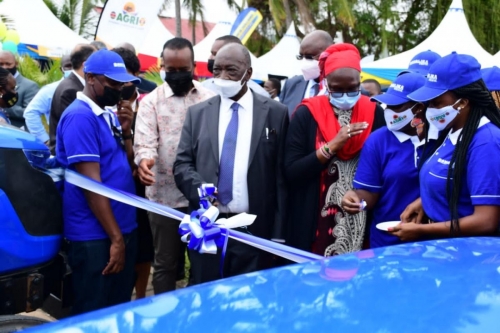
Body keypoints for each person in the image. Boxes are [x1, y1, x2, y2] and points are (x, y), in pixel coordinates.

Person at [174, 43, 289, 284]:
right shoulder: (198, 114)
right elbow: (182, 164)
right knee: (208, 296)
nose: (222, 77)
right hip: (208, 227)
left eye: (231, 71)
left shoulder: (275, 112)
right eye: (217, 70)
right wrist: (201, 190)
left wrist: (278, 233)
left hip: (255, 229)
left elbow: (281, 176)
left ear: (248, 73)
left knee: (250, 302)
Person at [56, 49, 140, 315]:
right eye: (112, 84)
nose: (118, 90)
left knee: (117, 310)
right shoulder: (80, 117)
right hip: (96, 236)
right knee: (95, 313)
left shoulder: (106, 114)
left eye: (122, 85)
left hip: (119, 228)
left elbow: (124, 165)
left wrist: (126, 133)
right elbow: (91, 185)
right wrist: (116, 240)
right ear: (90, 78)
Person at [285, 43, 385, 256]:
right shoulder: (307, 114)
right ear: (325, 83)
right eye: (337, 89)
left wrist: (364, 197)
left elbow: (383, 169)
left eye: (353, 88)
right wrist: (330, 147)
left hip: (361, 217)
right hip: (314, 221)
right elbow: (291, 170)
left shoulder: (374, 112)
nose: (346, 95)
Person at [134, 38, 215, 294]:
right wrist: (144, 160)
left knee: (203, 261)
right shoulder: (150, 102)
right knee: (165, 263)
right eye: (172, 69)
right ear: (163, 66)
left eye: (183, 70)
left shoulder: (209, 99)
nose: (178, 75)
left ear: (194, 66)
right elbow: (145, 141)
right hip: (163, 198)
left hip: (203, 196)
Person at [394, 52, 500, 241]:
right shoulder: (454, 131)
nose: (430, 110)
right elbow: (453, 184)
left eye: (437, 103)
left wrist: (424, 231)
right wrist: (425, 202)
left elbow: (486, 220)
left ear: (463, 103)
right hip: (445, 250)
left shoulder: (486, 143)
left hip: (469, 257)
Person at [341, 72, 433, 248]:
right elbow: (369, 195)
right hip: (389, 241)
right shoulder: (378, 141)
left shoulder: (442, 138)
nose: (388, 111)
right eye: (387, 105)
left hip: (435, 241)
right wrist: (356, 200)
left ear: (419, 108)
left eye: (396, 106)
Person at [110, 47, 154, 299]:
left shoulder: (149, 102)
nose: (120, 86)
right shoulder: (104, 104)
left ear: (136, 76)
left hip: (141, 187)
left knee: (144, 249)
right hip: (113, 186)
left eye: (125, 79)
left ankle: (140, 296)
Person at [49, 43, 96, 154]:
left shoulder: (74, 84)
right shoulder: (70, 90)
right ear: (85, 65)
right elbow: (74, 131)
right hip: (68, 155)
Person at [280, 30, 333, 117]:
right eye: (301, 57)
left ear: (328, 54)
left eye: (309, 57)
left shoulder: (348, 89)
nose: (304, 62)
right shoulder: (290, 85)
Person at [23, 55, 72, 144]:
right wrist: (45, 139)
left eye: (75, 66)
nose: (72, 70)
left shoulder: (89, 88)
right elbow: (31, 113)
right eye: (68, 66)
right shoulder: (50, 90)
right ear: (61, 69)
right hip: (59, 143)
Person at [202, 35, 269, 98]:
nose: (210, 58)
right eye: (211, 53)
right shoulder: (202, 89)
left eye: (215, 54)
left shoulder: (260, 95)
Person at [0, 51, 39, 129]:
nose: (4, 67)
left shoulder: (30, 85)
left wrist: (5, 104)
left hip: (18, 133)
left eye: (8, 64)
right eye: (1, 64)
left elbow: (30, 112)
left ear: (16, 63)